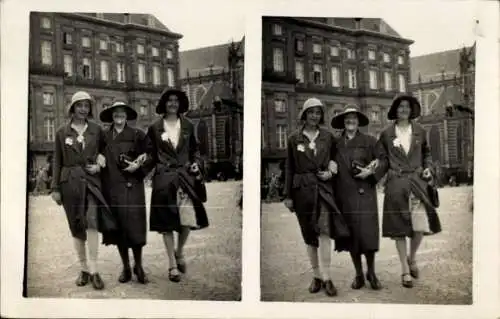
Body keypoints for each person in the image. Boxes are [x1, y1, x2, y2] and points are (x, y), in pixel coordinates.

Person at [282, 97, 349, 297]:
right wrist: (287, 195)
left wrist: (331, 170)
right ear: (304, 114)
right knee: (309, 235)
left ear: (321, 115)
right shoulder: (294, 138)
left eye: (318, 112)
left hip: (323, 190)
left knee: (325, 232)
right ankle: (316, 275)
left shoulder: (328, 137)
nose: (314, 116)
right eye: (311, 112)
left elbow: (337, 158)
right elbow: (289, 167)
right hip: (302, 191)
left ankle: (328, 277)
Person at [50, 91, 117, 290]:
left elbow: (106, 151)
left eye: (86, 105)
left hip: (91, 181)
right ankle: (84, 269)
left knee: (92, 222)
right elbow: (57, 160)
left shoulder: (96, 129)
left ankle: (95, 270)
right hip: (69, 183)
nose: (83, 109)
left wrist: (100, 163)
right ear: (72, 108)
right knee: (76, 225)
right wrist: (55, 188)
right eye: (79, 105)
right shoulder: (62, 132)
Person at [375, 94, 441, 288]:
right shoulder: (387, 133)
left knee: (419, 225)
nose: (404, 109)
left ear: (412, 110)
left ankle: (412, 258)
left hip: (417, 182)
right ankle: (405, 269)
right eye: (400, 106)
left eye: (407, 107)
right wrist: (372, 176)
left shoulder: (420, 130)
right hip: (396, 185)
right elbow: (382, 159)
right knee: (399, 229)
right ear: (395, 110)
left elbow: (427, 153)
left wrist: (428, 167)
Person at [146, 88, 209, 283]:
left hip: (184, 177)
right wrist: (140, 166)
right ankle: (172, 264)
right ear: (163, 104)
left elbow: (196, 151)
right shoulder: (155, 127)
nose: (173, 103)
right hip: (164, 180)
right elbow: (150, 154)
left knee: (187, 218)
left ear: (181, 103)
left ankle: (179, 251)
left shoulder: (189, 125)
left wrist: (197, 164)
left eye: (176, 100)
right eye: (169, 100)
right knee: (166, 224)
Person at [330, 104, 384, 290]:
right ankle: (359, 274)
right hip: (344, 195)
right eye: (347, 118)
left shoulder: (369, 141)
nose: (350, 121)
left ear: (358, 121)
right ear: (343, 122)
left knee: (368, 235)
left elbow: (382, 160)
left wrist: (371, 172)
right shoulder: (335, 143)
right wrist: (330, 165)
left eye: (353, 118)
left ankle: (372, 272)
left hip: (365, 193)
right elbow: (327, 160)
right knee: (351, 236)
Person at [99, 101, 152, 284]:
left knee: (136, 229)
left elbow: (151, 154)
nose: (119, 115)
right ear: (112, 116)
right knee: (119, 229)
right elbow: (95, 154)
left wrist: (139, 165)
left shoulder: (137, 135)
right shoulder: (104, 136)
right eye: (115, 113)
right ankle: (126, 268)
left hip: (133, 186)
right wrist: (97, 159)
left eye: (122, 112)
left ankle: (139, 266)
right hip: (113, 188)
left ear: (127, 115)